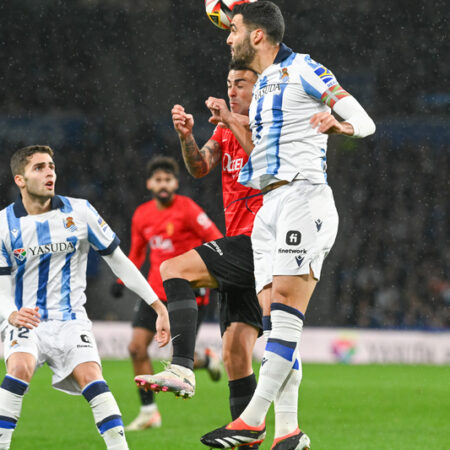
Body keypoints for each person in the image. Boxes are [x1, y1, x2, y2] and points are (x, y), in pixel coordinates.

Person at [200, 2, 376, 449]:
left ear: (257, 36)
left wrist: (340, 125)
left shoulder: (305, 69)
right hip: (268, 208)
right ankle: (290, 431)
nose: (228, 37)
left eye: (234, 29)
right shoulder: (259, 89)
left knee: (284, 309)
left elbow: (364, 119)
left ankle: (253, 419)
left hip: (304, 197)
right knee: (275, 326)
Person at [0, 145, 170, 450]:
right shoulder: (4, 224)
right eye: (39, 167)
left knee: (92, 377)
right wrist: (10, 313)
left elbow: (119, 260)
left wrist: (156, 304)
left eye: (51, 165)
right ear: (20, 179)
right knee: (20, 368)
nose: (49, 172)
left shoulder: (79, 212)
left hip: (71, 320)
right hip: (26, 319)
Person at [134, 65, 264, 448]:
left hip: (263, 238)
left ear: (261, 88)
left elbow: (268, 163)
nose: (233, 90)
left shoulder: (268, 123)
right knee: (236, 351)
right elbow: (199, 166)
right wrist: (186, 137)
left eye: (241, 84)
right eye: (228, 85)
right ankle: (249, 439)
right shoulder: (224, 130)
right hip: (242, 242)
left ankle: (183, 366)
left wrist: (231, 116)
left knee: (173, 267)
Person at [110, 155, 223, 431]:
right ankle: (149, 412)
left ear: (175, 183)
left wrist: (213, 275)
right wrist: (121, 281)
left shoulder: (188, 209)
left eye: (168, 180)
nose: (163, 184)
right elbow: (137, 253)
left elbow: (216, 239)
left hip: (188, 292)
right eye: (158, 180)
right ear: (150, 184)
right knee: (136, 348)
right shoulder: (142, 214)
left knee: (180, 356)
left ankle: (206, 359)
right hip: (154, 293)